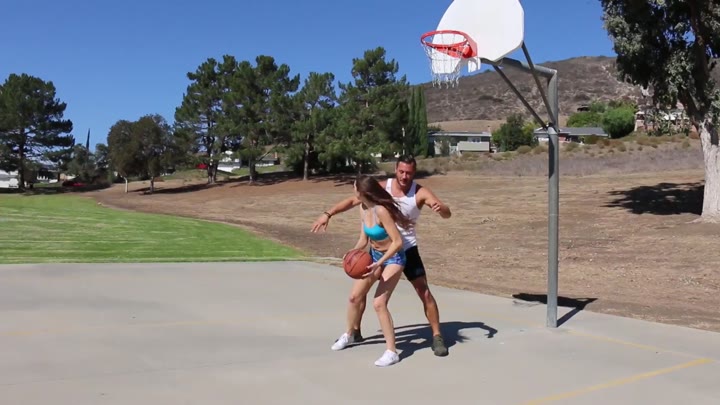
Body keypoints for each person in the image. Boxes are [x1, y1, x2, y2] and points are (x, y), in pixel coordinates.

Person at [311, 155, 452, 357]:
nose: (404, 176)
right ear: (395, 169)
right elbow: (354, 200)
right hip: (379, 249)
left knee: (424, 292)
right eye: (401, 171)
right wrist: (328, 214)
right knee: (359, 292)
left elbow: (447, 214)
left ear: (414, 172)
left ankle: (437, 336)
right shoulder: (383, 187)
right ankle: (354, 332)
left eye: (409, 173)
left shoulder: (420, 192)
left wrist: (442, 209)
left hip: (406, 249)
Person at [344, 175, 414, 367]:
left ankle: (392, 352)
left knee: (379, 303)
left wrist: (379, 263)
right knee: (354, 297)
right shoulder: (362, 208)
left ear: (362, 192)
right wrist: (351, 254)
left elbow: (397, 242)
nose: (353, 190)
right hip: (374, 257)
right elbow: (363, 240)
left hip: (394, 258)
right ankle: (349, 334)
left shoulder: (381, 211)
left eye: (354, 187)